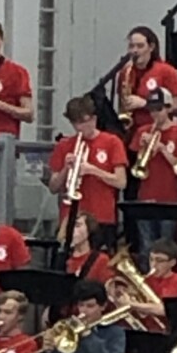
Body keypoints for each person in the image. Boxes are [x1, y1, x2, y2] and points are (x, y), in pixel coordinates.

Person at [49, 96, 128, 248]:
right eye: (75, 123)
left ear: (94, 119)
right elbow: (53, 187)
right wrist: (66, 168)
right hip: (71, 216)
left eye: (84, 122)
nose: (79, 127)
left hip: (102, 217)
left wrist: (92, 170)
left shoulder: (112, 142)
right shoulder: (64, 145)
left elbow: (121, 182)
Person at [131, 88, 177, 257]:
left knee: (165, 248)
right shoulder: (143, 131)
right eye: (151, 110)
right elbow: (137, 164)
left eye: (159, 109)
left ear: (169, 108)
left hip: (169, 198)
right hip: (146, 196)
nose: (155, 114)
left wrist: (162, 149)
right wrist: (143, 149)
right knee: (146, 247)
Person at [118, 27, 177, 133]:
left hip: (158, 129)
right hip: (132, 130)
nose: (135, 50)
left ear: (151, 47)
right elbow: (121, 104)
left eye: (140, 46)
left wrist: (145, 104)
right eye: (131, 46)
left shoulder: (167, 71)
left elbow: (176, 106)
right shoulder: (126, 72)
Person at [64, 211, 112, 282]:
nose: (73, 230)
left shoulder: (101, 260)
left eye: (78, 225)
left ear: (89, 229)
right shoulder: (62, 260)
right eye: (70, 226)